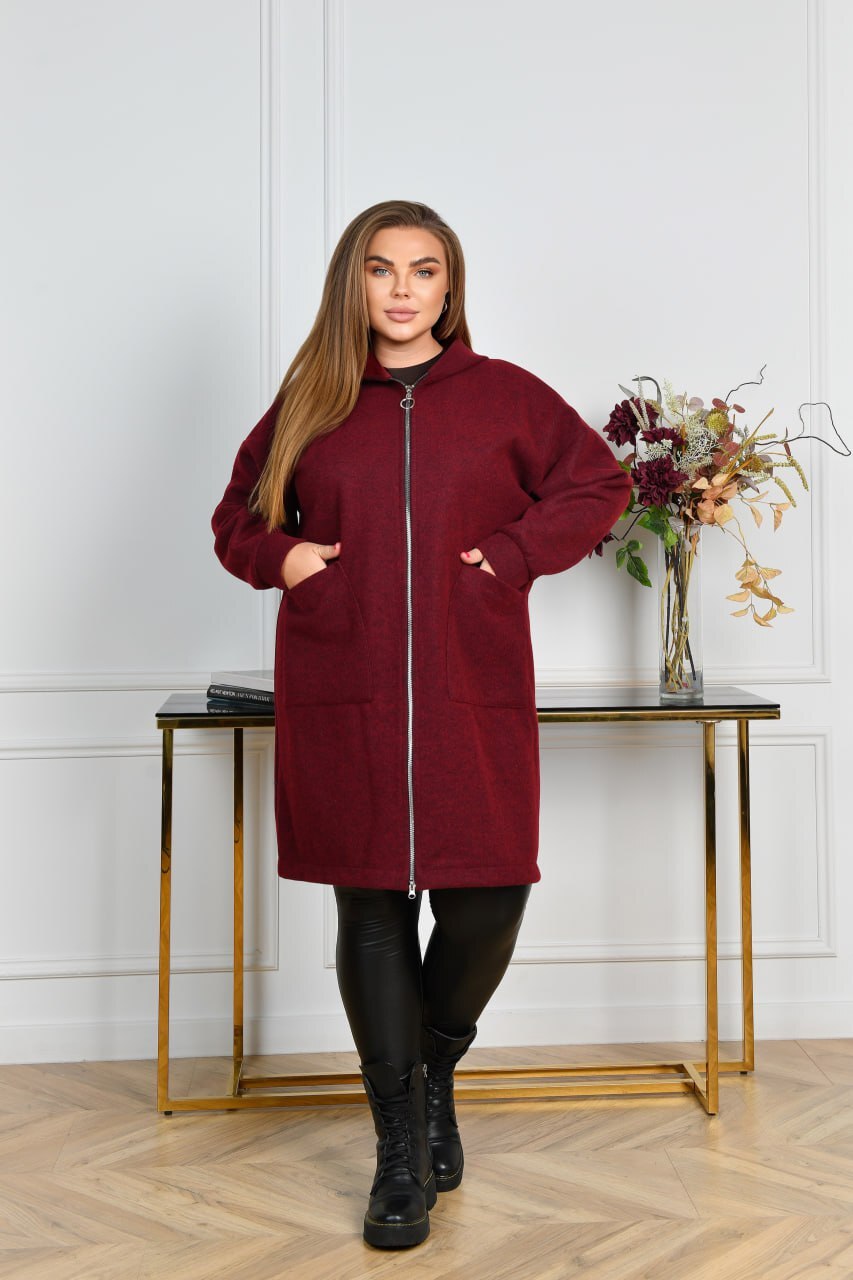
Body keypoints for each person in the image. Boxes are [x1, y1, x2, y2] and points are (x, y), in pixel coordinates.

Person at [211, 199, 632, 1250]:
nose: (402, 289)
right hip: (343, 687)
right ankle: (398, 1147)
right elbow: (237, 518)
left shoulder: (504, 396)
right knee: (370, 908)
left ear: (449, 286)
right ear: (352, 284)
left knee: (489, 897)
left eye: (424, 269)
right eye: (381, 269)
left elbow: (599, 482)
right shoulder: (311, 400)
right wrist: (286, 558)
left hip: (467, 689)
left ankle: (433, 1065)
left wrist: (513, 556)